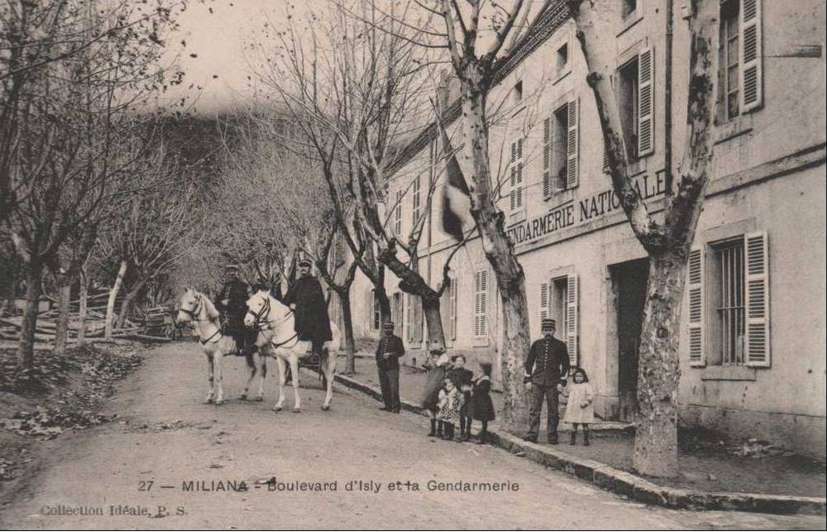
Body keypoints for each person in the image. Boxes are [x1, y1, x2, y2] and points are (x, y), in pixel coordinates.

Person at [523, 318, 570, 444]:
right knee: (534, 409)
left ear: (554, 331)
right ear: (542, 331)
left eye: (550, 330)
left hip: (553, 382)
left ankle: (552, 436)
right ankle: (532, 434)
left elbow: (566, 365)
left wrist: (562, 382)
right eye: (545, 330)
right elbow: (529, 363)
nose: (548, 332)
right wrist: (527, 380)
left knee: (553, 410)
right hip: (537, 381)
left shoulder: (561, 345)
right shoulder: (536, 344)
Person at [283, 258, 332, 363]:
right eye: (301, 266)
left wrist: (303, 306)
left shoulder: (315, 283)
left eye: (306, 266)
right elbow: (287, 299)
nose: (303, 268)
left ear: (309, 268)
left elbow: (317, 301)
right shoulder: (296, 283)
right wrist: (291, 305)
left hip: (312, 316)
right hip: (298, 316)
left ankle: (315, 353)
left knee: (316, 327)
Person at [216, 264, 255, 356]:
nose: (231, 273)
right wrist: (221, 303)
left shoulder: (243, 286)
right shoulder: (226, 287)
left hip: (240, 312)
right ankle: (227, 347)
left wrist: (230, 302)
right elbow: (218, 300)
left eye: (233, 271)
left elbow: (248, 300)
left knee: (239, 326)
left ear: (237, 273)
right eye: (229, 271)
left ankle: (241, 348)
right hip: (226, 312)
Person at [376, 321, 404, 413]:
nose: (387, 330)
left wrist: (391, 354)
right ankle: (387, 405)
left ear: (392, 329)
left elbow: (401, 352)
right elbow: (378, 352)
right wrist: (378, 362)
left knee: (394, 387)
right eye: (386, 328)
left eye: (389, 328)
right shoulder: (382, 340)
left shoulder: (397, 340)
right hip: (382, 367)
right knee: (384, 387)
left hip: (392, 367)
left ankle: (396, 407)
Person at [421, 348, 451, 437]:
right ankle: (433, 430)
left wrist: (443, 359)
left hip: (439, 390)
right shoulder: (432, 367)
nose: (435, 359)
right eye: (433, 358)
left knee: (439, 410)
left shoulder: (443, 367)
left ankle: (439, 431)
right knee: (431, 410)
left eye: (437, 358)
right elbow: (424, 365)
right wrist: (427, 358)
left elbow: (448, 365)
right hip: (430, 390)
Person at [563, 367, 594, 446]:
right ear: (574, 377)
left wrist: (586, 402)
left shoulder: (587, 385)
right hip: (575, 408)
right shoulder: (572, 386)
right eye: (577, 376)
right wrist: (561, 391)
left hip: (584, 408)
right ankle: (573, 440)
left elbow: (590, 396)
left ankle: (586, 440)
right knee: (574, 424)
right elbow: (566, 393)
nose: (578, 378)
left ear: (584, 377)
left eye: (580, 376)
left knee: (585, 424)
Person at [447, 355, 473, 441]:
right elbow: (450, 383)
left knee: (464, 415)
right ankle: (450, 433)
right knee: (452, 413)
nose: (459, 362)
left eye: (461, 361)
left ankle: (464, 433)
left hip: (464, 396)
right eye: (458, 361)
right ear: (455, 362)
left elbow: (467, 384)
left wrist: (463, 392)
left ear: (464, 362)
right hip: (454, 395)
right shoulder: (450, 372)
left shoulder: (468, 373)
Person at [469, 361, 496, 444]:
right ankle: (481, 436)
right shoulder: (480, 378)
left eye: (480, 370)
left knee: (484, 419)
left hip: (484, 402)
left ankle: (483, 438)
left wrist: (473, 388)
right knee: (481, 418)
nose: (479, 371)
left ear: (485, 370)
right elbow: (474, 383)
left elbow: (482, 389)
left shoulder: (486, 380)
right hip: (479, 401)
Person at [437, 377, 462, 442]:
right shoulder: (448, 389)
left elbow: (461, 399)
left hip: (453, 407)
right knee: (446, 420)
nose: (448, 386)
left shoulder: (456, 391)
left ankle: (450, 435)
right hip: (447, 407)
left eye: (450, 384)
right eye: (447, 384)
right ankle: (447, 434)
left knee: (451, 421)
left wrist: (458, 406)